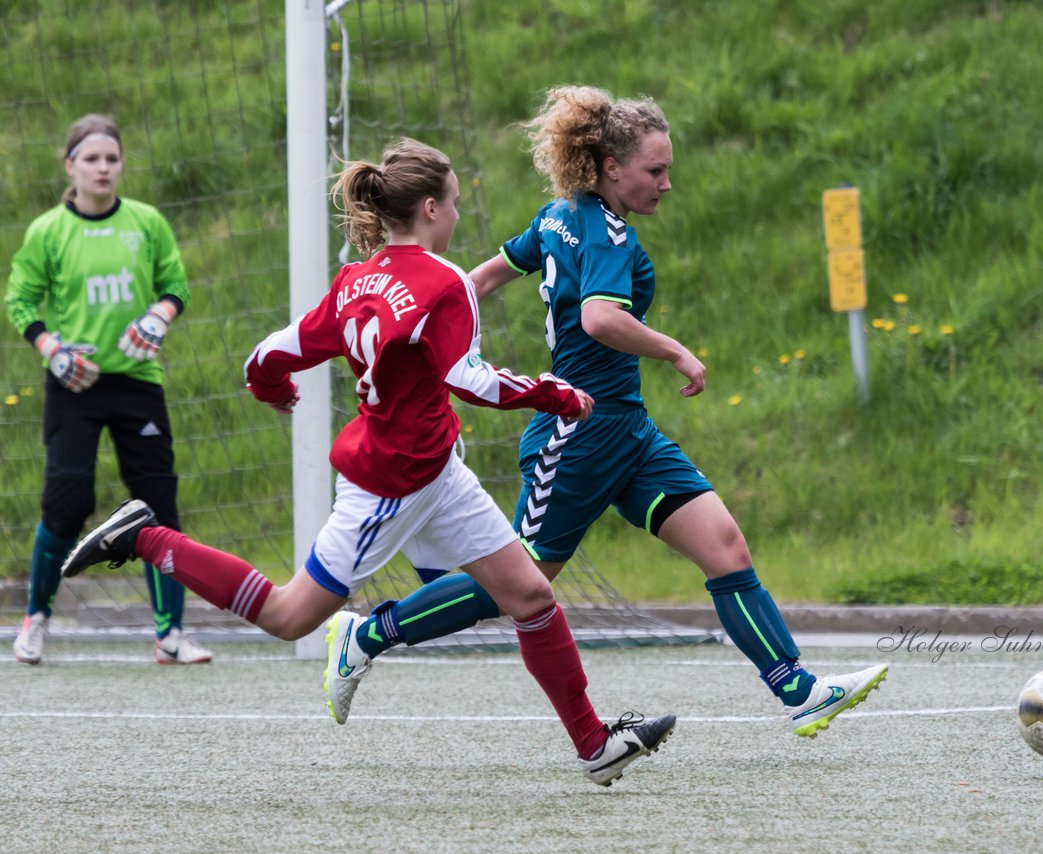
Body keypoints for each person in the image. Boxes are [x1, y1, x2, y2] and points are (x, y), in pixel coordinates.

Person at [61, 138, 676, 787]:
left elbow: (272, 351)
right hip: (390, 482)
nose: (461, 216)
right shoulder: (444, 283)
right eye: (458, 203)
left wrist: (275, 390)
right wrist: (557, 393)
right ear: (433, 208)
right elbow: (469, 380)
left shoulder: (358, 279)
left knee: (528, 593)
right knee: (286, 615)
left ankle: (593, 745)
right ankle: (144, 536)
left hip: (436, 468)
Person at [333, 86, 889, 738]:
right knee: (522, 581)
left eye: (667, 168)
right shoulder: (608, 233)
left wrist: (435, 333)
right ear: (609, 167)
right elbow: (600, 319)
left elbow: (474, 282)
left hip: (628, 431)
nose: (667, 182)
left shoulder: (556, 215)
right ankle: (368, 635)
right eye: (655, 170)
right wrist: (674, 350)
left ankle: (797, 689)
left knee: (725, 545)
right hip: (576, 435)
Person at [5, 114, 211, 666]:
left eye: (112, 158)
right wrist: (53, 350)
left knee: (157, 503)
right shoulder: (49, 230)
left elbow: (175, 285)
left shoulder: (146, 223)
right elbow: (20, 300)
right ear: (70, 165)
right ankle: (36, 620)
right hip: (74, 386)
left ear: (121, 166)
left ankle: (170, 633)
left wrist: (159, 317)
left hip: (138, 385)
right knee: (67, 501)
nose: (103, 168)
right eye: (91, 158)